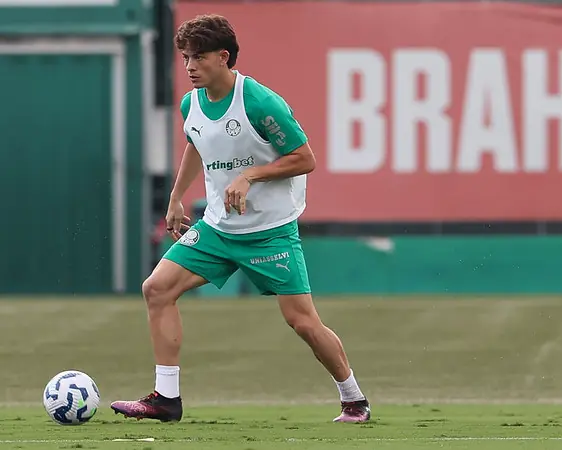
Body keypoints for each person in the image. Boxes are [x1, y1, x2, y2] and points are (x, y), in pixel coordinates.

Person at [110, 14, 370, 424]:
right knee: (156, 289)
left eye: (198, 57)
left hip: (270, 232)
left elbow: (305, 159)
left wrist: (250, 175)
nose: (190, 66)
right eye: (185, 57)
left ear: (223, 57)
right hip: (217, 228)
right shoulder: (191, 103)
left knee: (302, 322)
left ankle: (354, 400)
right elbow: (196, 143)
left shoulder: (259, 102)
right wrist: (176, 198)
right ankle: (166, 399)